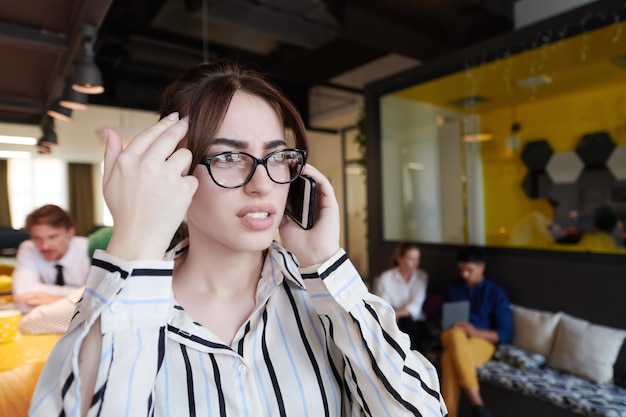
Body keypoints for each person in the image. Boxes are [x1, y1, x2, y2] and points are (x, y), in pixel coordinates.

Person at [30, 61, 447, 417]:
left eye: (278, 156)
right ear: (173, 171)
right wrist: (136, 240)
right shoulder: (123, 311)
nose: (263, 183)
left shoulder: (324, 298)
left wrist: (323, 260)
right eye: (229, 156)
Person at [440, 247, 512, 417]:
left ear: (482, 267)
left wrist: (475, 332)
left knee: (448, 358)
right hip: (451, 334)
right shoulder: (453, 287)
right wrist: (446, 321)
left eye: (469, 270)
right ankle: (478, 405)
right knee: (456, 335)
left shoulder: (496, 293)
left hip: (482, 342)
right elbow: (440, 318)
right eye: (461, 270)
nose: (464, 274)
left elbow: (504, 334)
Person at [12, 204, 90, 313]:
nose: (45, 246)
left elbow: (98, 298)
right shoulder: (28, 248)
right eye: (37, 238)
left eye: (53, 237)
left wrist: (49, 298)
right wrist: (79, 298)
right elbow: (22, 292)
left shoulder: (89, 249)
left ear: (70, 232)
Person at [375, 242, 429, 351]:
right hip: (390, 318)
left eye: (417, 259)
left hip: (413, 321)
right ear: (399, 259)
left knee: (408, 322)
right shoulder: (386, 278)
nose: (416, 263)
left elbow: (416, 305)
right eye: (411, 259)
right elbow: (383, 303)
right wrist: (393, 316)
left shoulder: (422, 277)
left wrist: (398, 314)